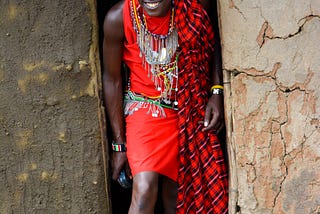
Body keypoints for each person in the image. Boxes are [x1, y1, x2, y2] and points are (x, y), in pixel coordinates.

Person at [102, 0, 228, 213]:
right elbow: (111, 79)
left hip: (187, 110)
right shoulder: (118, 18)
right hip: (145, 109)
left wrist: (216, 91)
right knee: (144, 189)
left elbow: (212, 41)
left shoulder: (193, 7)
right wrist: (119, 144)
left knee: (178, 198)